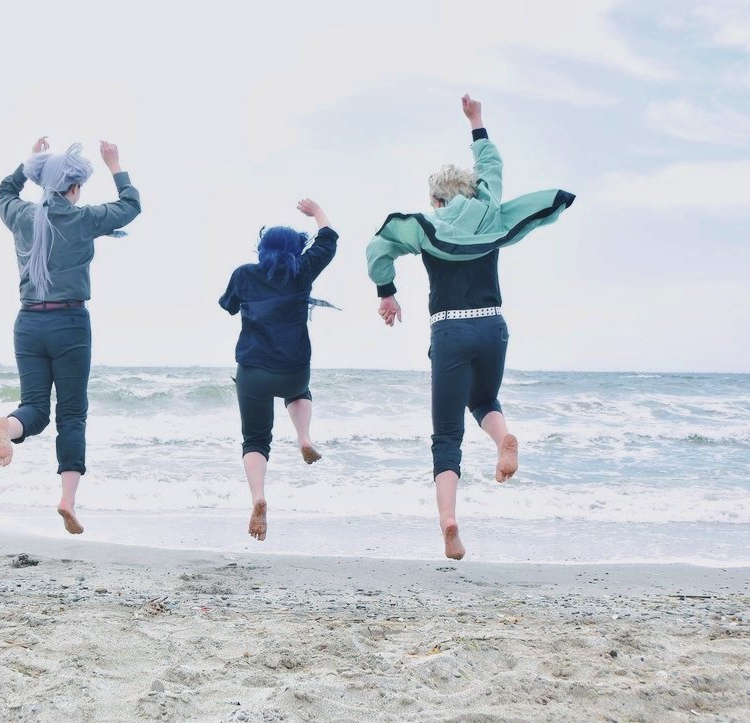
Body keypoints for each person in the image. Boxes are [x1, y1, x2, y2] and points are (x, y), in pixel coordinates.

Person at [366, 95, 574, 560]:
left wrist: (386, 291)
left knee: (446, 435)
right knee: (483, 400)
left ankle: (449, 520)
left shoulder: (428, 226)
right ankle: (503, 440)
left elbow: (379, 246)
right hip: (493, 327)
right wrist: (477, 122)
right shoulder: (489, 210)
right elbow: (492, 167)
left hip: (450, 332)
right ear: (471, 190)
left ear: (437, 199)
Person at [0, 136, 141, 535]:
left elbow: (3, 193)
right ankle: (67, 500)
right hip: (69, 323)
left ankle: (9, 425)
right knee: (71, 414)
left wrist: (30, 162)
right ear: (73, 188)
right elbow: (130, 206)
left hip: (28, 324)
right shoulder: (83, 219)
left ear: (43, 183)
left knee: (35, 409)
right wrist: (114, 164)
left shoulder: (22, 215)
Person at [219, 200, 339, 541]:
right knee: (299, 392)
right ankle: (304, 437)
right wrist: (317, 212)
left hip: (253, 370)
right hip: (293, 370)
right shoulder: (302, 272)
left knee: (255, 440)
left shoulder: (244, 274)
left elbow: (228, 306)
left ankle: (258, 497)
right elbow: (328, 241)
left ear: (262, 249)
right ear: (295, 250)